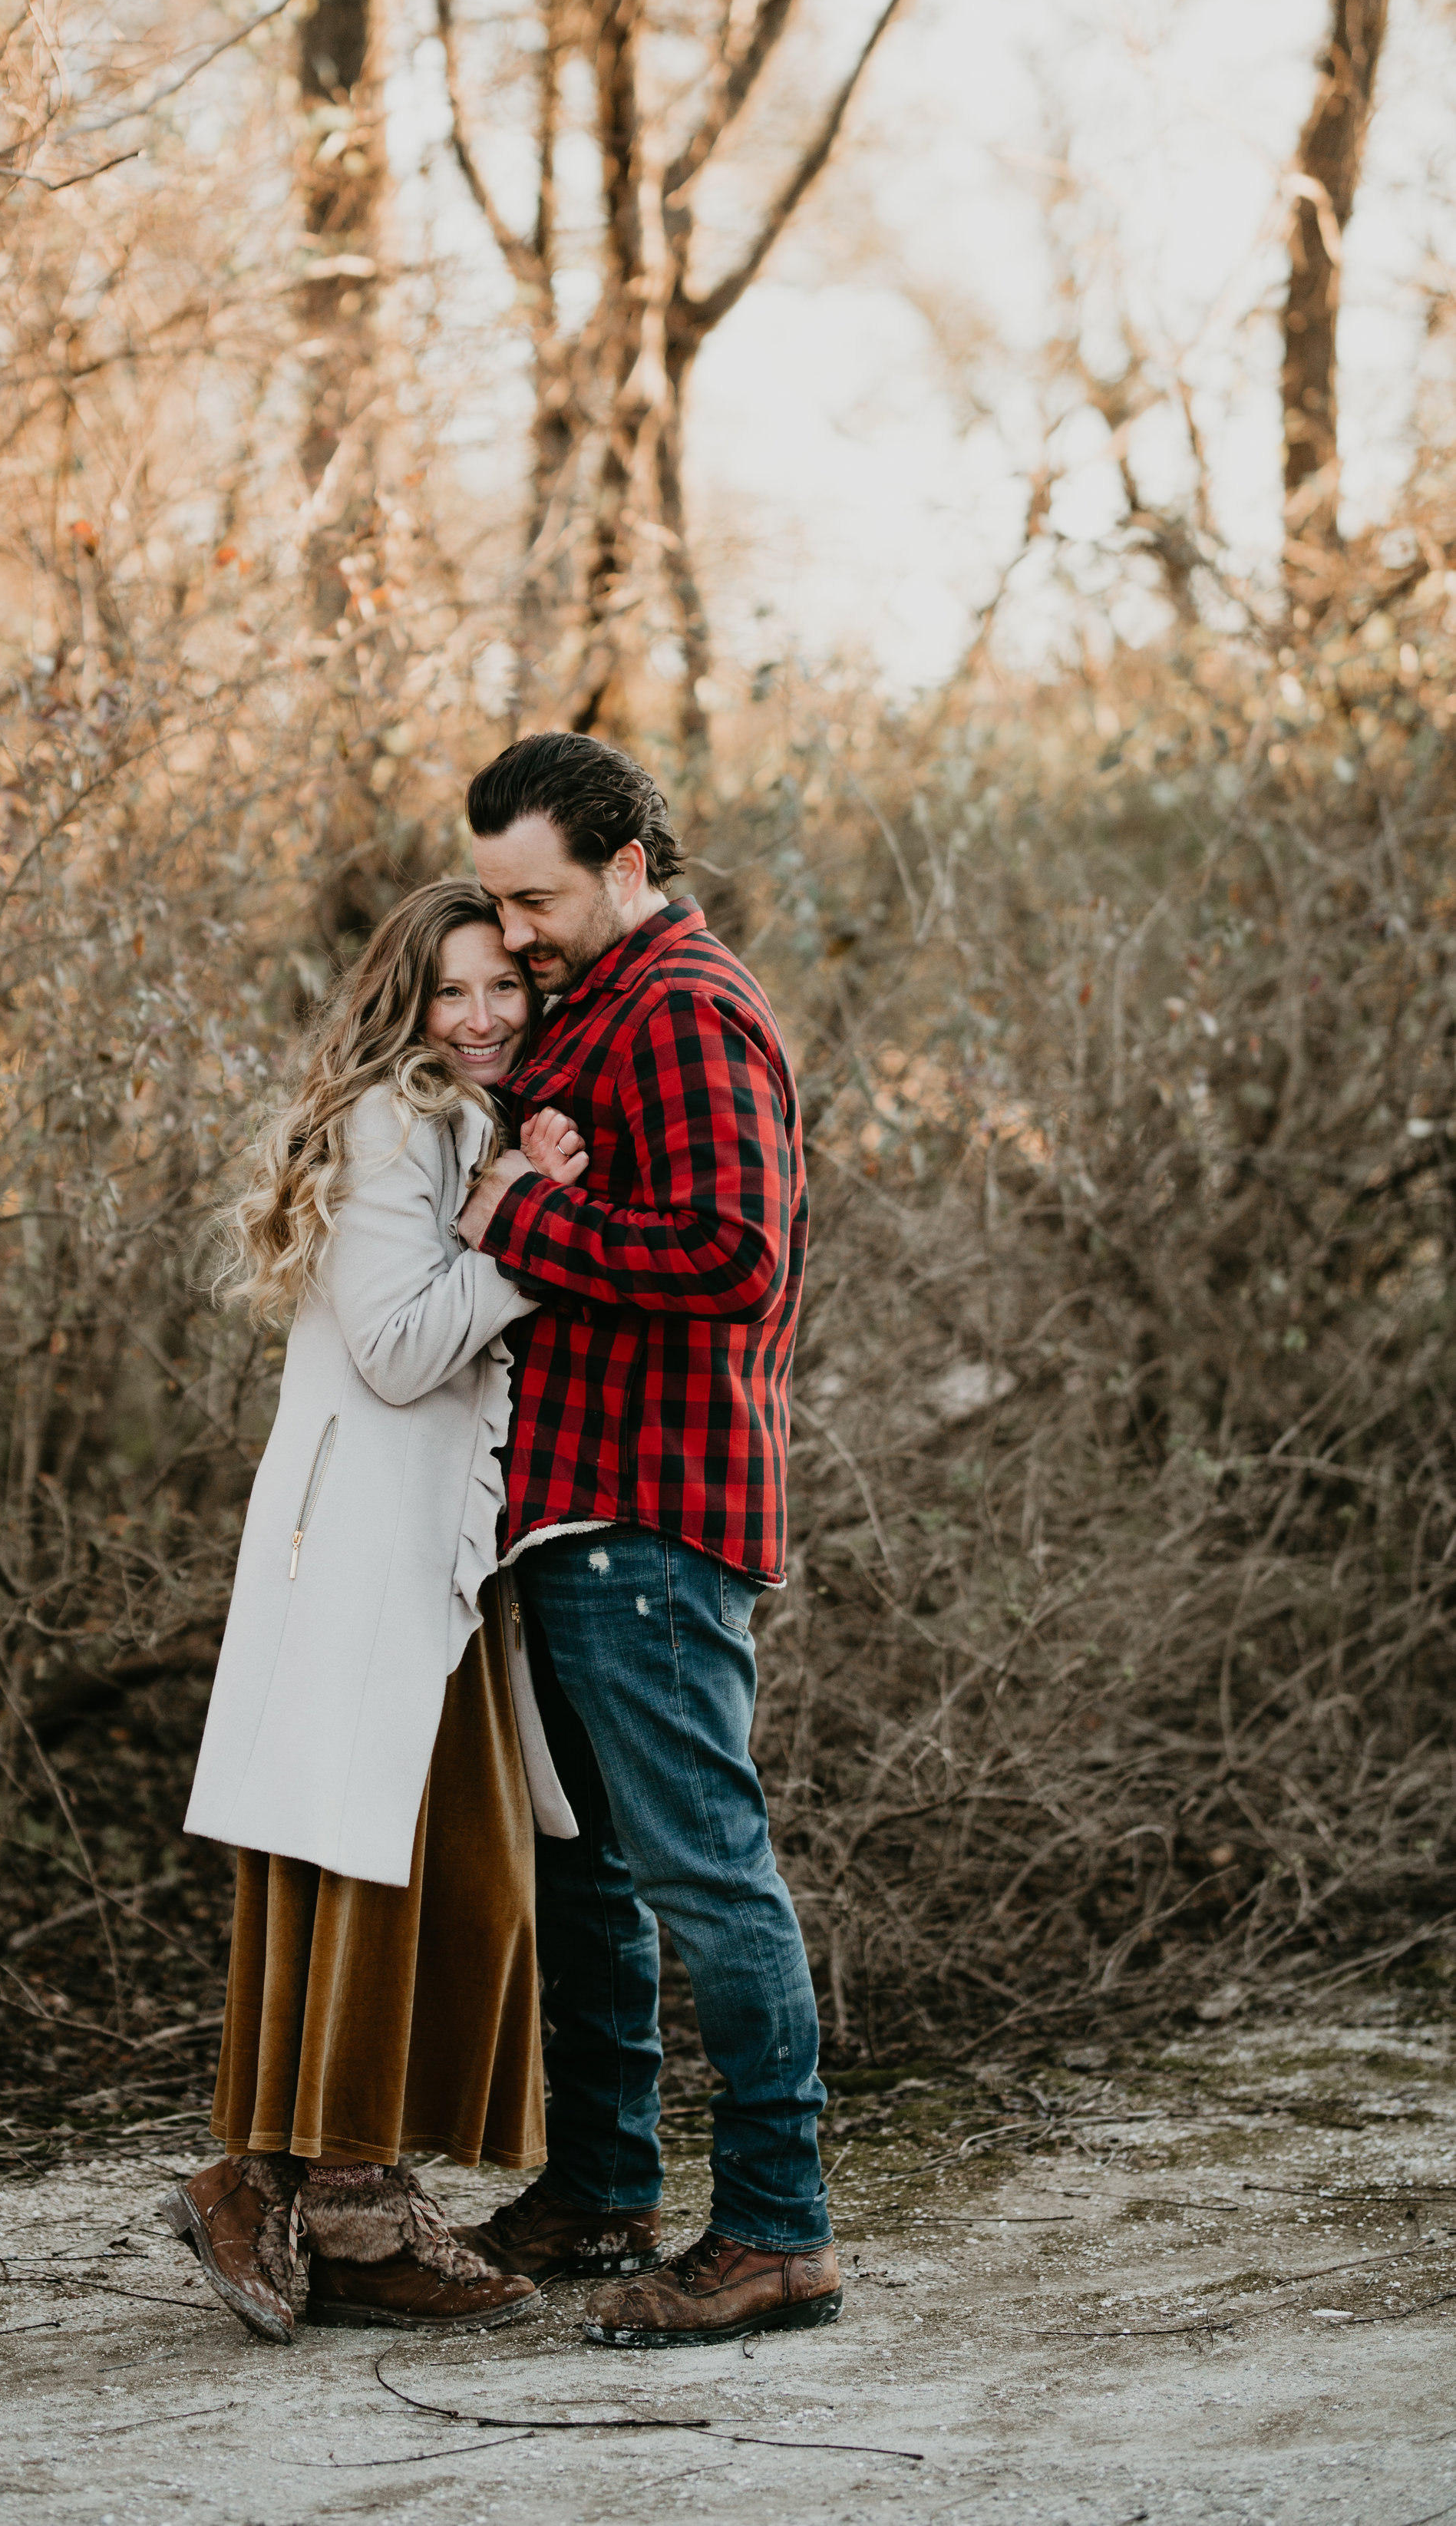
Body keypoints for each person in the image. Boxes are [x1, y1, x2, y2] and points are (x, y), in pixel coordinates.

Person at [452, 731, 841, 2351]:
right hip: (572, 1512)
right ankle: (602, 2183)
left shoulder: (681, 1007)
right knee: (585, 1874)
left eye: (532, 897)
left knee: (702, 1871)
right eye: (495, 900)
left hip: (648, 1520)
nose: (514, 931)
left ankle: (774, 2230)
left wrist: (515, 1218)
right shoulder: (598, 1006)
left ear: (624, 865)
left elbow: (734, 1255)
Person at [167, 878, 589, 2343]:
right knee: (380, 1861)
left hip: (425, 1545)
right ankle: (321, 2193)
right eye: (451, 993)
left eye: (503, 990)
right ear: (408, 1004)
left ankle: (307, 2185)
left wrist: (499, 1195)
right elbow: (406, 1348)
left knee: (401, 1861)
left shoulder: (451, 1120)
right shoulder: (394, 1119)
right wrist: (527, 1224)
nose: (481, 1018)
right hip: (365, 1543)